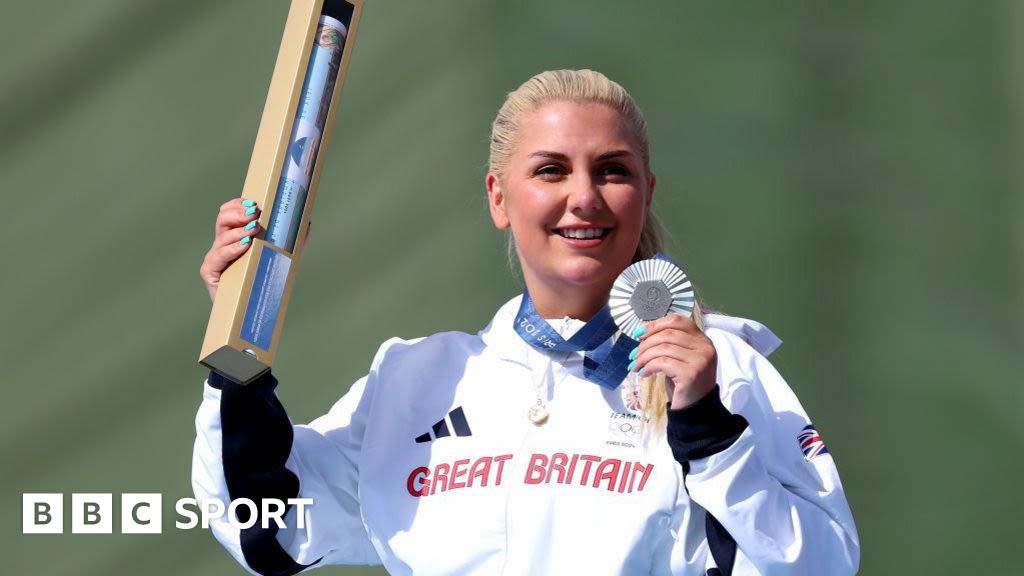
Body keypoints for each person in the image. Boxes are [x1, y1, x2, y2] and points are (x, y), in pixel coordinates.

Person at [193, 69, 859, 576]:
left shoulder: (721, 373)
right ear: (499, 197)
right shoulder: (417, 379)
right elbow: (271, 529)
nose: (584, 198)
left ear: (646, 193)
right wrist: (240, 332)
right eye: (550, 170)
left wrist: (709, 432)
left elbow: (823, 564)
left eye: (611, 172)